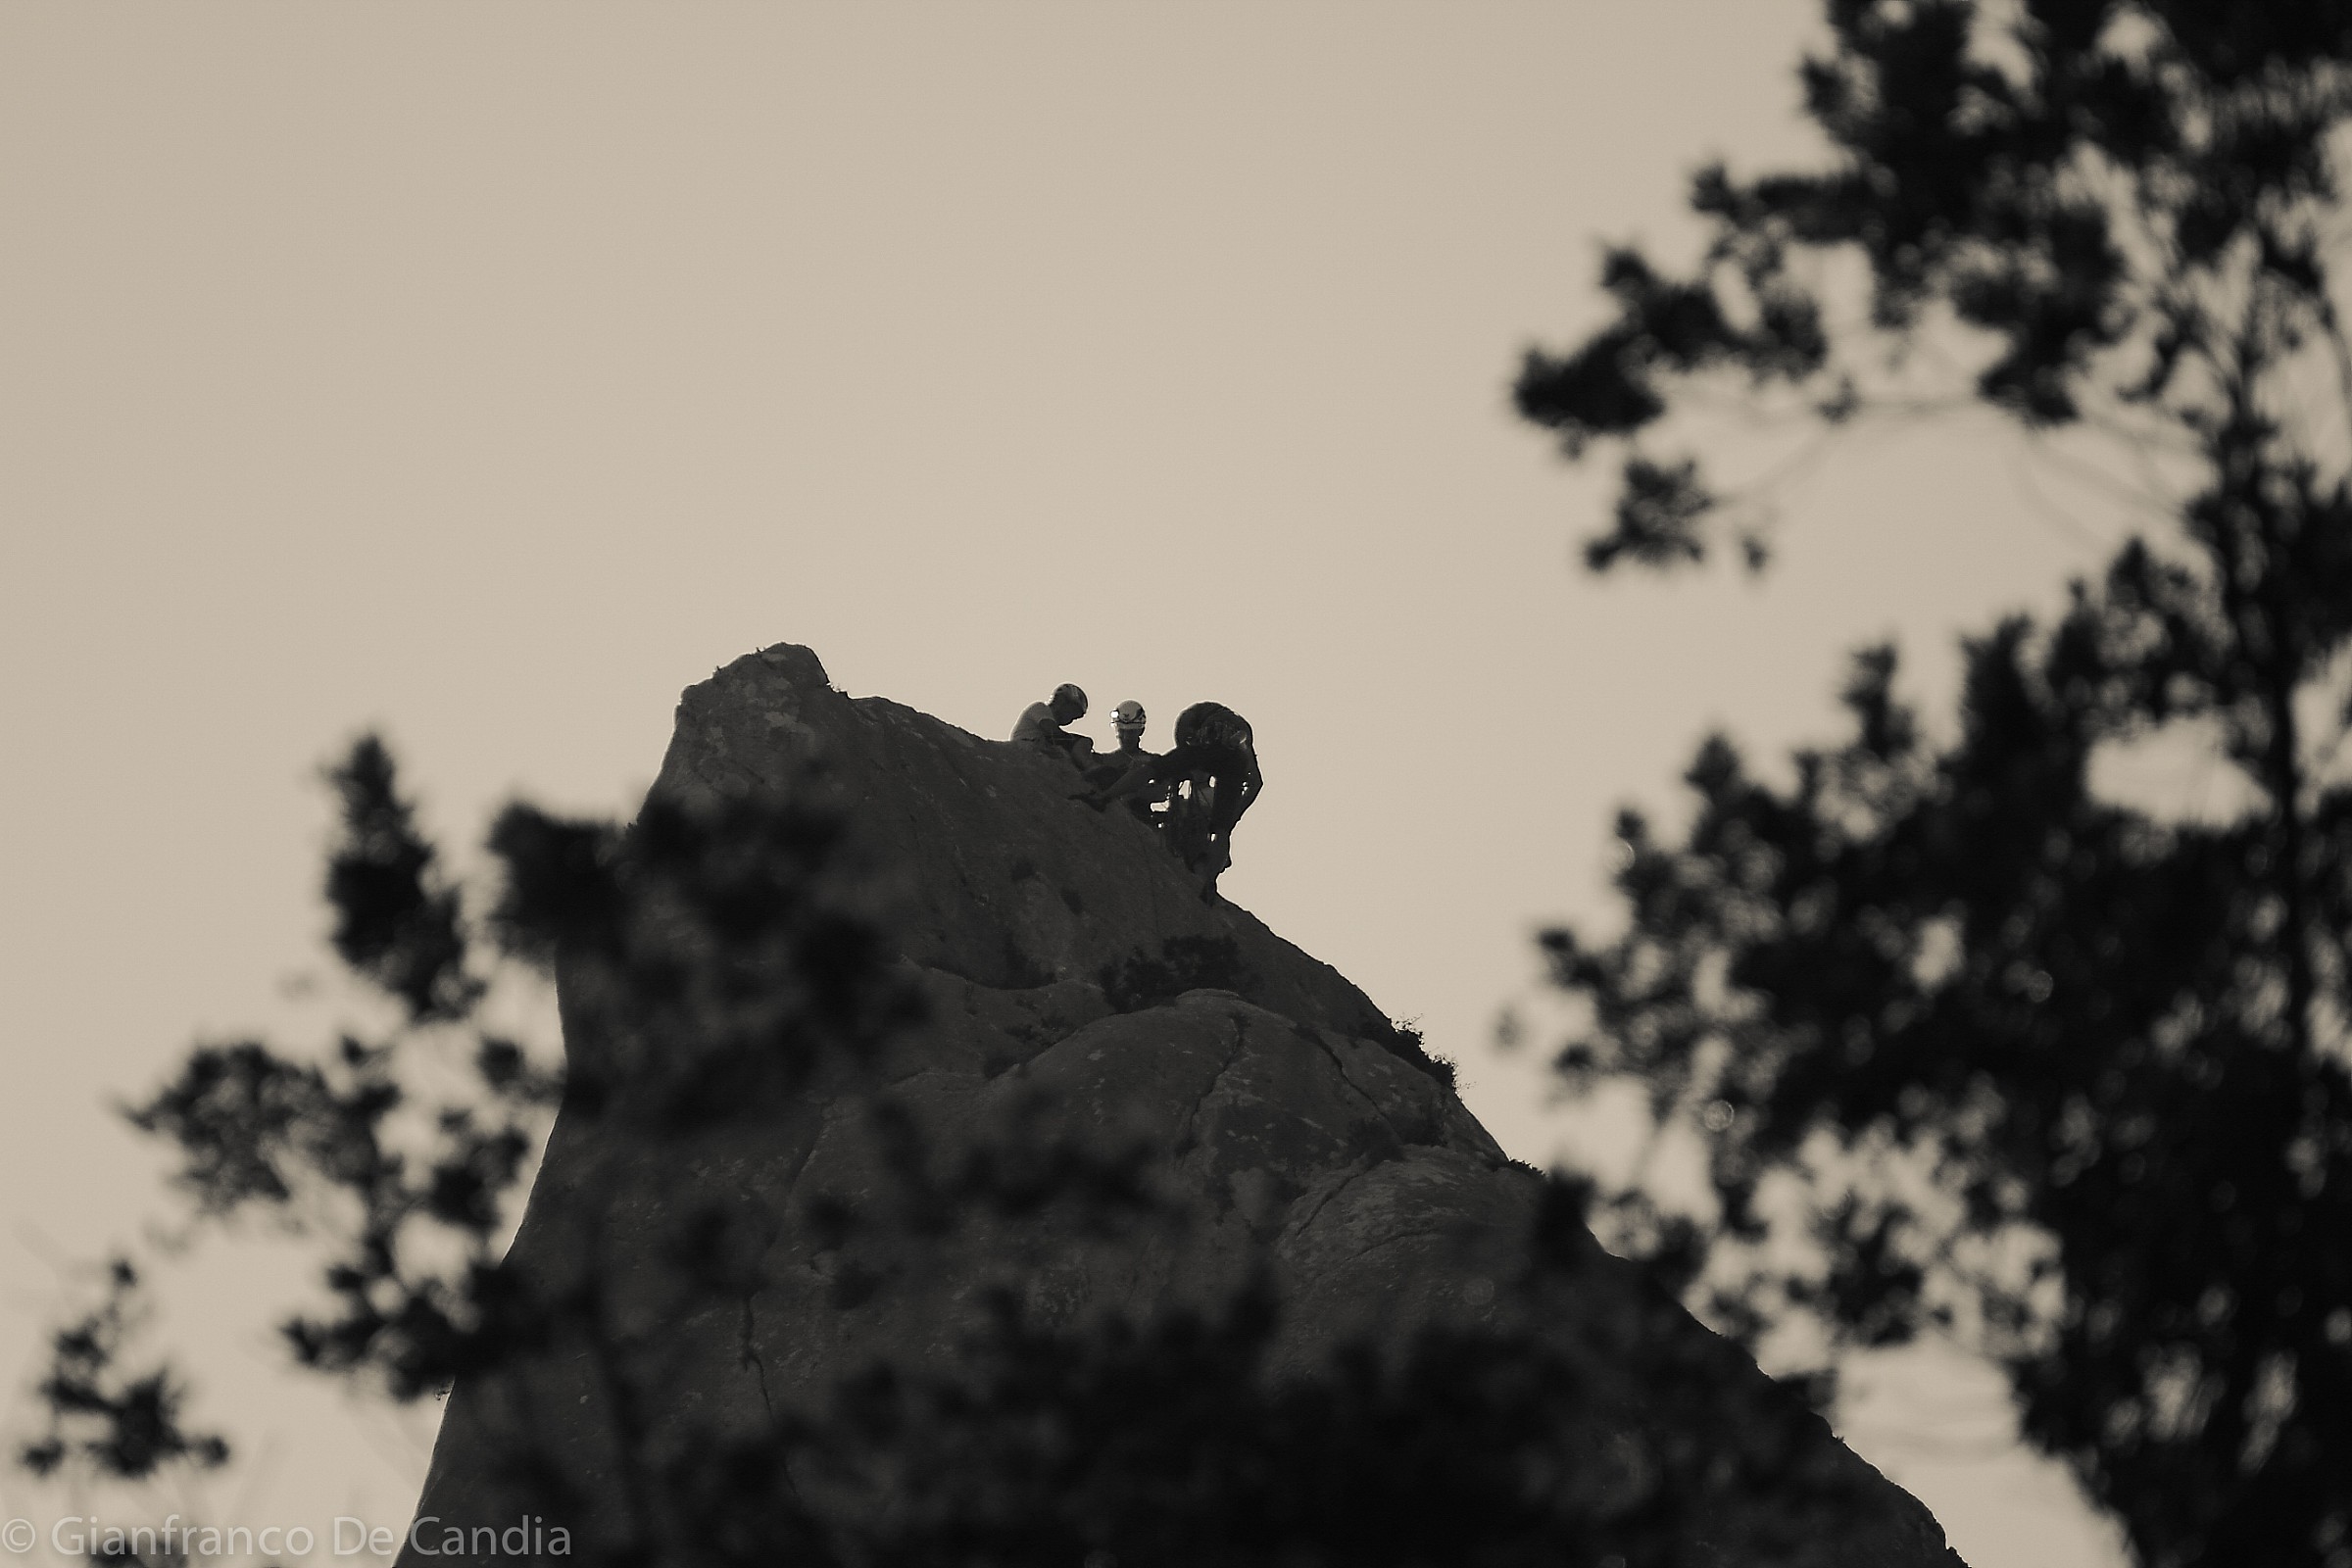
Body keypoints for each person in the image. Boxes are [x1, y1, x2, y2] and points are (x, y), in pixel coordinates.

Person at [1076, 701, 1262, 901]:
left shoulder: (1193, 716)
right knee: (1222, 831)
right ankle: (1209, 882)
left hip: (1209, 742)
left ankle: (1103, 798)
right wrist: (1233, 818)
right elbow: (1256, 784)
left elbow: (1183, 751)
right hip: (1234, 760)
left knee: (1150, 769)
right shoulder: (1243, 735)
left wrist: (1178, 771)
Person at [1011, 683, 1093, 767]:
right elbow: (1052, 732)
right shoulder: (1040, 708)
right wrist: (1077, 742)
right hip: (1026, 748)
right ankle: (1089, 766)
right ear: (1061, 701)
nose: (1071, 719)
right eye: (1073, 712)